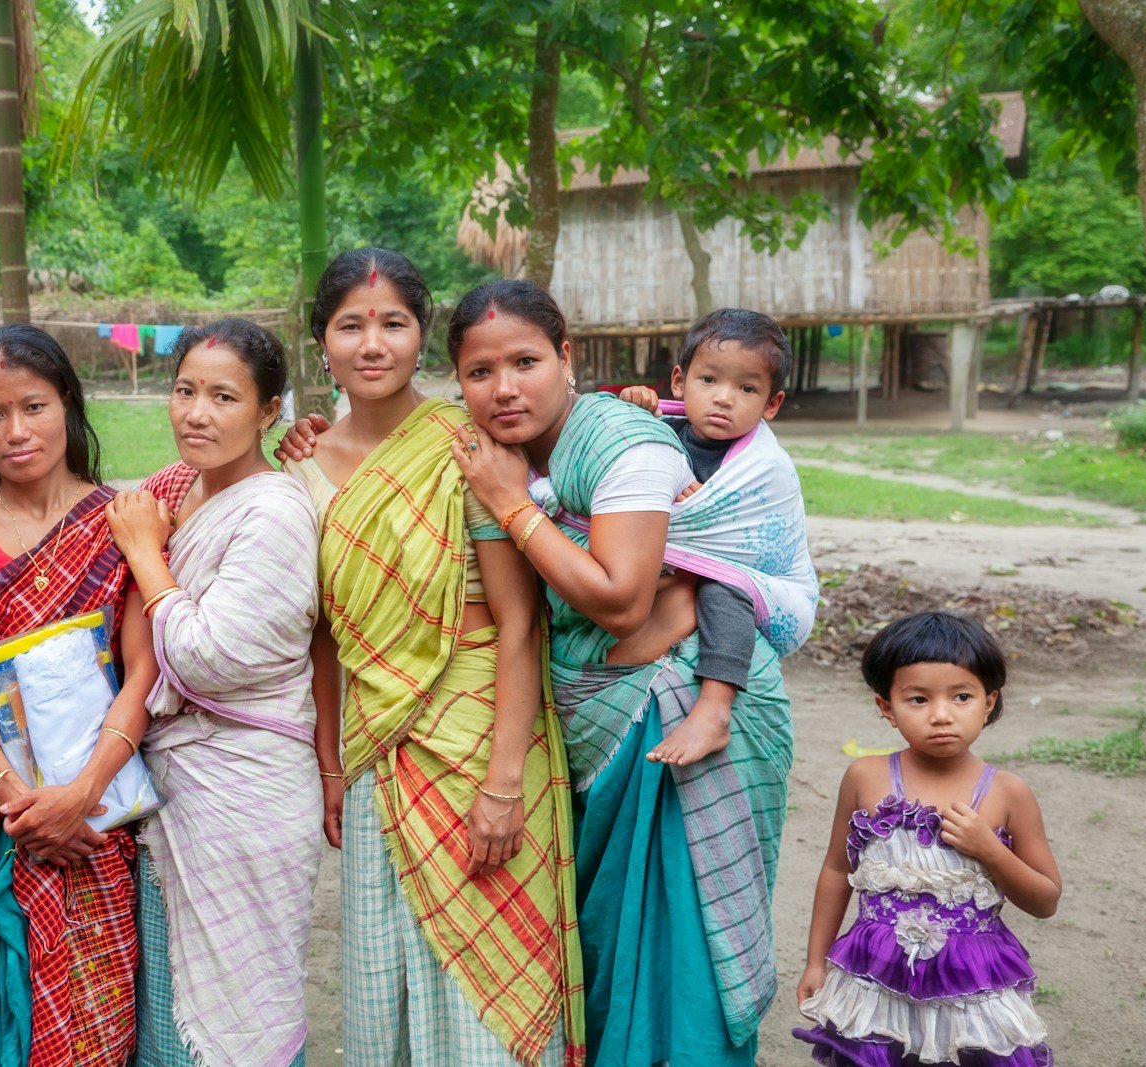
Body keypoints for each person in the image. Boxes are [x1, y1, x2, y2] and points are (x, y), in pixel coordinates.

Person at [445, 279, 792, 1066]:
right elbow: (520, 619)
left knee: (687, 948)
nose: (504, 389)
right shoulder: (494, 458)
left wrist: (512, 506)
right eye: (479, 372)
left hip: (684, 704)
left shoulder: (622, 442)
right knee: (611, 948)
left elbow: (622, 602)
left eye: (526, 361)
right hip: (597, 714)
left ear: (566, 357)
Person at [282, 248, 582, 1067]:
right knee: (388, 970)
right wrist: (332, 760)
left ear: (423, 339)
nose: (372, 344)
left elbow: (520, 626)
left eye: (393, 324)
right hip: (378, 744)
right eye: (351, 325)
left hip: (484, 735)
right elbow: (323, 634)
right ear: (324, 341)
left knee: (492, 978)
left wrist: (504, 781)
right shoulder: (295, 463)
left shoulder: (468, 446)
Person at [0, 323, 152, 1067]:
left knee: (103, 1018)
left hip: (105, 821)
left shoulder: (121, 520)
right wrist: (23, 805)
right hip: (2, 823)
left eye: (35, 406)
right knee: (6, 1016)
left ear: (68, 404)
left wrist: (79, 794)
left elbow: (142, 673)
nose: (16, 432)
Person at [105, 318, 322, 1067]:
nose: (196, 412)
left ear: (269, 411)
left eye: (224, 396)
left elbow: (206, 656)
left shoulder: (276, 509)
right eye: (185, 390)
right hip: (177, 785)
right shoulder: (174, 490)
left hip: (247, 790)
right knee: (173, 996)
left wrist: (142, 552)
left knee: (244, 1004)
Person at [794, 611, 1060, 1066]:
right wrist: (816, 962)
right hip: (875, 977)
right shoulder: (866, 777)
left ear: (989, 701)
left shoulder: (1008, 794)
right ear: (886, 707)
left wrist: (991, 850)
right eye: (918, 699)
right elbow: (838, 870)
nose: (941, 715)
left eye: (961, 696)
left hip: (972, 983)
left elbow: (1045, 900)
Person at [616, 308, 817, 766]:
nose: (724, 398)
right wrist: (627, 412)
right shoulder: (656, 429)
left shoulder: (763, 467)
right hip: (653, 578)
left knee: (724, 585)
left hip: (752, 582)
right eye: (709, 381)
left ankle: (715, 707)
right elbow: (608, 466)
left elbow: (750, 545)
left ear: (772, 404)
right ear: (679, 381)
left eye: (747, 388)